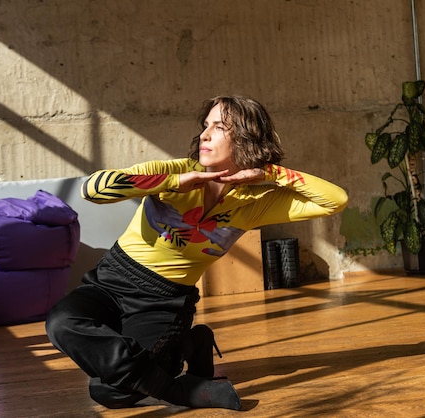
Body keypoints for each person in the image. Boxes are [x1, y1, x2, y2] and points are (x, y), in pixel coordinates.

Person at [46, 95, 348, 410]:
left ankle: (189, 343)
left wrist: (269, 173)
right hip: (111, 281)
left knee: (109, 392)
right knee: (60, 322)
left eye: (218, 128)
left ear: (246, 137)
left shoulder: (255, 204)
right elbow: (92, 189)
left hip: (164, 301)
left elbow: (335, 200)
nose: (204, 134)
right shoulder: (174, 172)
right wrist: (173, 182)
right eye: (205, 126)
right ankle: (179, 391)